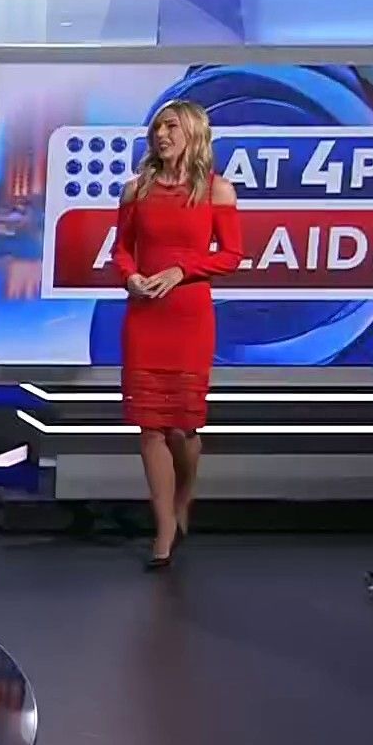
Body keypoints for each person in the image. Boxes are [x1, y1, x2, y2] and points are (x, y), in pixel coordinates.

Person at [111, 99, 244, 570]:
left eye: (170, 127)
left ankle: (183, 499)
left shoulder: (216, 191)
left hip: (188, 317)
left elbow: (231, 255)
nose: (161, 135)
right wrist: (130, 277)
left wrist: (182, 269)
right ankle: (164, 528)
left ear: (193, 132)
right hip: (145, 317)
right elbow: (121, 250)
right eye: (157, 128)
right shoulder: (136, 190)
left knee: (182, 429)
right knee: (150, 427)